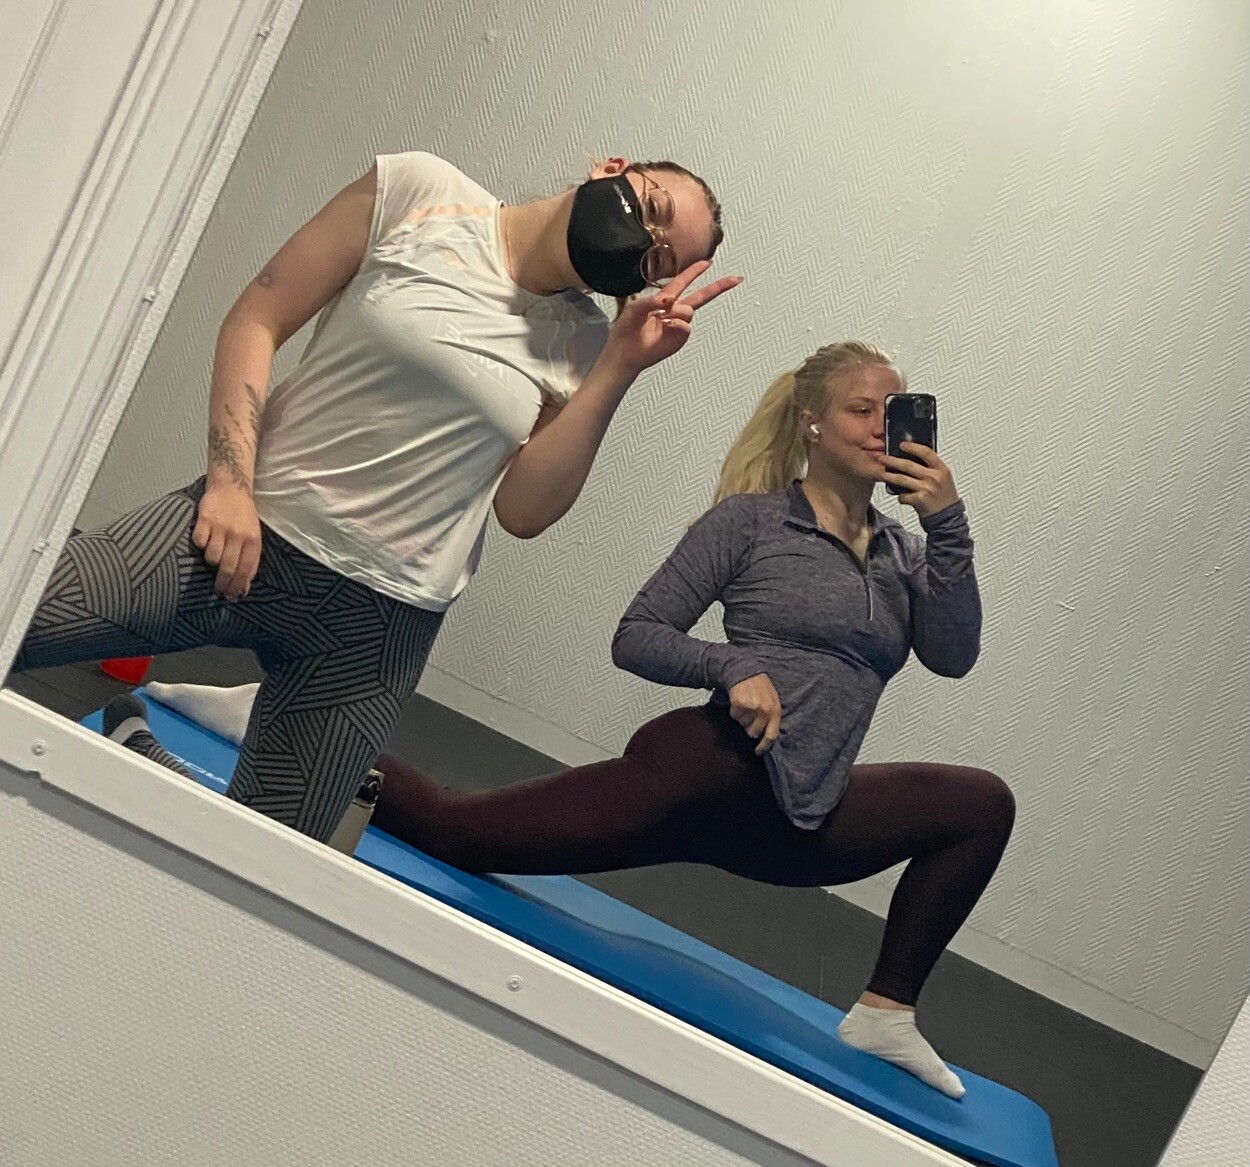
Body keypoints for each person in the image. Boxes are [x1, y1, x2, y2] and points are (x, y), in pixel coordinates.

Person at [138, 342, 1014, 1097]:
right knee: (461, 831)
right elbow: (638, 633)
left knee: (979, 805)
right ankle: (276, 718)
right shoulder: (749, 524)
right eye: (862, 408)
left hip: (803, 817)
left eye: (894, 409)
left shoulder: (905, 554)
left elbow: (953, 652)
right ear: (812, 423)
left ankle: (886, 1010)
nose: (882, 425)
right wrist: (731, 664)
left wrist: (946, 522)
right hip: (704, 777)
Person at [10, 150, 740, 842]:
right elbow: (258, 317)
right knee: (19, 611)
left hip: (376, 629)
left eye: (658, 259)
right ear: (611, 169)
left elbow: (522, 512)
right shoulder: (421, 192)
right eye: (652, 208)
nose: (642, 239)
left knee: (259, 859)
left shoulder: (586, 340)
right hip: (242, 536)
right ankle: (150, 738)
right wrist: (230, 484)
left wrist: (618, 367)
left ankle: (144, 748)